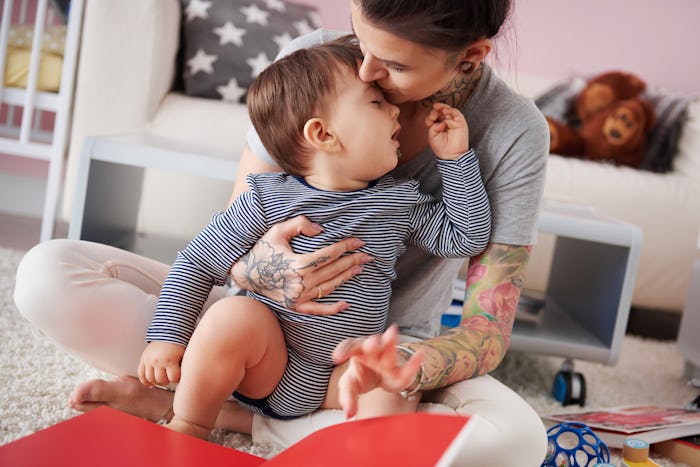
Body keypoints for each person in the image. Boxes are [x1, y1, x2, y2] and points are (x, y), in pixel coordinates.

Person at [14, 0, 550, 464]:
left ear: (469, 56)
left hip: (372, 354)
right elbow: (210, 258)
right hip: (258, 345)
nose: (364, 72)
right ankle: (196, 414)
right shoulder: (313, 74)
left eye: (391, 64)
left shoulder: (472, 154)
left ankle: (225, 416)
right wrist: (221, 305)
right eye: (359, 38)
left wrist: (457, 164)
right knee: (47, 275)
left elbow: (466, 255)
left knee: (518, 440)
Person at [147, 38, 491, 440]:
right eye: (376, 103)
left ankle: (279, 432)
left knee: (394, 381)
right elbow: (197, 262)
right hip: (269, 365)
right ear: (323, 134)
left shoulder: (398, 200)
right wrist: (165, 340)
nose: (396, 108)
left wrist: (456, 161)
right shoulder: (267, 197)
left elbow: (465, 238)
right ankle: (190, 423)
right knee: (231, 317)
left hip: (342, 374)